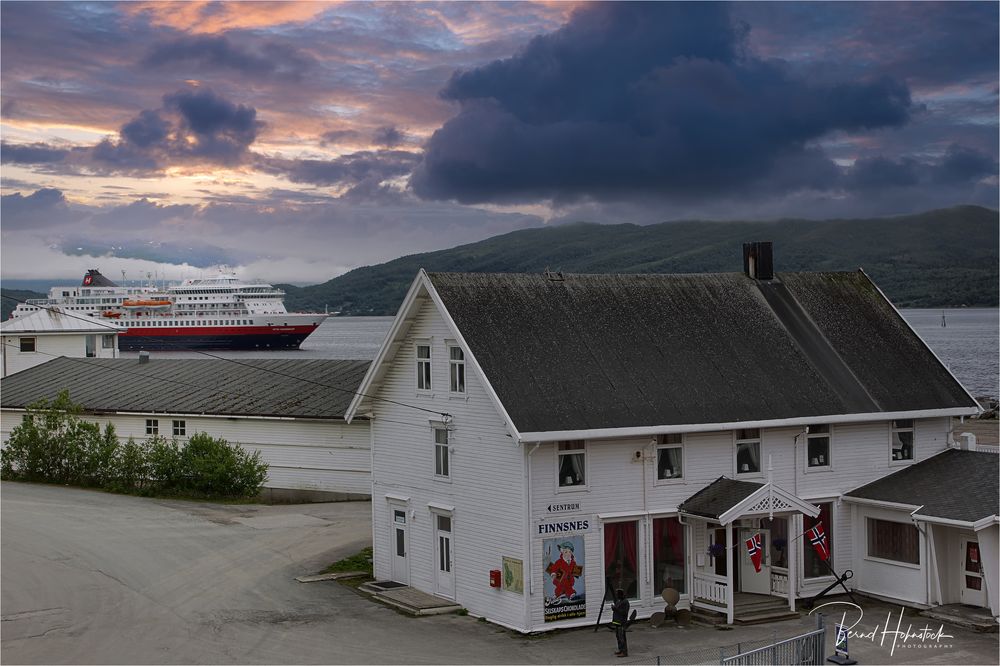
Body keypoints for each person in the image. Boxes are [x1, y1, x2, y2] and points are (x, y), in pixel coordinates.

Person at [611, 588, 629, 657]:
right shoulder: (619, 601)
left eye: (617, 595)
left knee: (622, 638)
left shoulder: (625, 602)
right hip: (617, 622)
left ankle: (624, 652)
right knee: (618, 637)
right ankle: (620, 650)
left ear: (621, 595)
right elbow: (617, 608)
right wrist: (614, 608)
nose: (617, 596)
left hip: (622, 622)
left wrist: (616, 609)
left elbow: (624, 612)